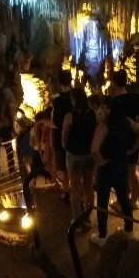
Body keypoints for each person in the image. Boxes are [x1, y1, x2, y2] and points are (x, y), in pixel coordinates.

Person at [89, 95, 139, 247]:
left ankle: (102, 235)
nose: (101, 110)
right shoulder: (128, 122)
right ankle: (129, 231)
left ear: (109, 109)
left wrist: (101, 161)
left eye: (103, 107)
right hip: (121, 164)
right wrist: (132, 150)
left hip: (107, 167)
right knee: (123, 198)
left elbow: (94, 150)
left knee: (102, 202)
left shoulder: (103, 126)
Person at [108, 68, 139, 209]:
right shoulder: (135, 97)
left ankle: (121, 201)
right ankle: (134, 200)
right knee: (133, 169)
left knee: (121, 172)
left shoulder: (113, 100)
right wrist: (136, 127)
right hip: (134, 138)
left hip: (119, 140)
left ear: (114, 83)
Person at [62, 87, 97, 230]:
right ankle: (87, 217)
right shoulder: (94, 115)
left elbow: (64, 137)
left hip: (74, 155)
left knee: (75, 188)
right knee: (88, 185)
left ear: (73, 99)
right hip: (88, 154)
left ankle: (77, 221)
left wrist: (66, 147)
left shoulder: (69, 116)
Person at [51, 69, 74, 201]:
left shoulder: (57, 100)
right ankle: (76, 191)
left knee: (64, 167)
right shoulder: (76, 97)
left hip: (61, 136)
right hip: (75, 135)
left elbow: (55, 121)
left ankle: (66, 191)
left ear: (59, 82)